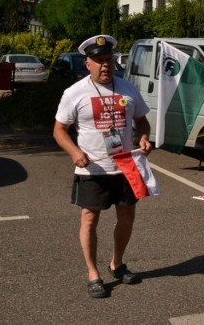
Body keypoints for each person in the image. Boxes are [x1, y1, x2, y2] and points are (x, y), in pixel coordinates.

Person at [53, 34, 152, 298]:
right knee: (90, 220)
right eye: (98, 60)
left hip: (125, 166)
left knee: (127, 217)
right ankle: (93, 273)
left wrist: (143, 138)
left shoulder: (128, 89)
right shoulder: (75, 93)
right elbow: (59, 130)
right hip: (93, 169)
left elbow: (142, 121)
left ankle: (116, 263)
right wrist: (74, 152)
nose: (105, 65)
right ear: (88, 64)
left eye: (108, 59)